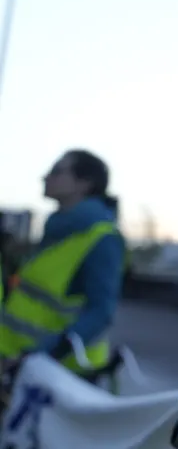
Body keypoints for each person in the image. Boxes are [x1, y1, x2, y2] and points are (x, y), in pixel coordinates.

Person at [0, 149, 126, 375]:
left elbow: (101, 312)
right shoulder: (59, 228)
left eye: (56, 171)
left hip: (60, 376)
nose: (46, 177)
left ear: (84, 184)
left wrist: (43, 354)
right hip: (20, 362)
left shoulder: (103, 238)